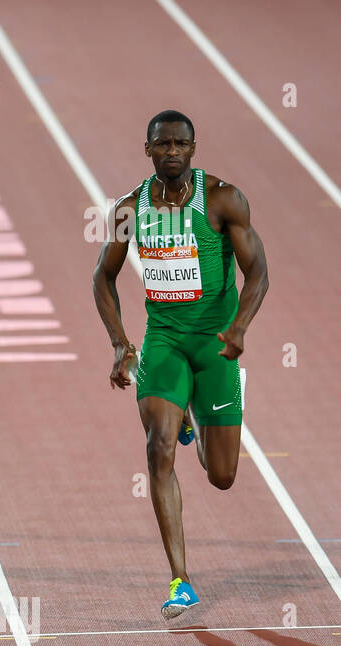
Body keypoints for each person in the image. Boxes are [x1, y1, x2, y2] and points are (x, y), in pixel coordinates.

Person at [92, 110, 269, 617]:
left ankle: (199, 407)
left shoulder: (223, 200)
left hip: (215, 343)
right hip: (163, 341)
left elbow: (258, 269)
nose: (172, 151)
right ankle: (180, 579)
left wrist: (239, 328)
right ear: (147, 150)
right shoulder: (131, 208)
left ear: (193, 148)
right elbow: (103, 277)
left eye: (180, 144)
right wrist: (120, 342)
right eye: (162, 144)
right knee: (158, 446)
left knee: (222, 475)